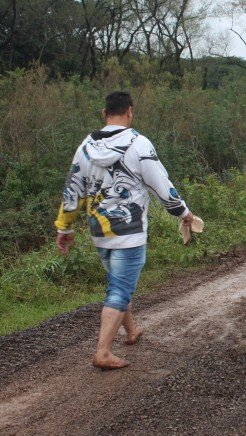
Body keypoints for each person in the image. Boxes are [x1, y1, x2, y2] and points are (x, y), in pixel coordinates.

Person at [55, 91, 193, 370]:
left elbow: (73, 189)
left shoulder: (86, 146)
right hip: (129, 231)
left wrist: (64, 227)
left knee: (118, 281)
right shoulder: (139, 144)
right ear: (129, 112)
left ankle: (131, 330)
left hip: (99, 230)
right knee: (120, 287)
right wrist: (183, 212)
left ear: (104, 113)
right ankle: (103, 351)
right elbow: (161, 184)